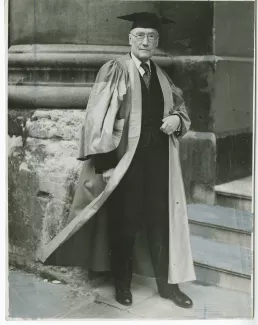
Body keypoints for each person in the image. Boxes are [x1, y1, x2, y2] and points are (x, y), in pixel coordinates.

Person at [38, 12, 196, 309]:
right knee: (124, 225)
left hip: (160, 164)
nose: (145, 41)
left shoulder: (163, 77)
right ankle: (122, 286)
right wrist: (107, 166)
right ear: (130, 39)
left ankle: (169, 287)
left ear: (157, 41)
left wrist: (176, 118)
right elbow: (98, 121)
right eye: (140, 36)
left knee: (161, 226)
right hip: (126, 165)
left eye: (151, 36)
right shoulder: (115, 70)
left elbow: (182, 111)